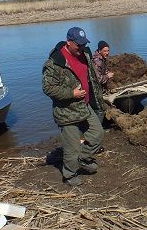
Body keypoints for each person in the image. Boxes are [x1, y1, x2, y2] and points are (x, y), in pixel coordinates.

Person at [42, 27, 105, 186]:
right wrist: (72, 93)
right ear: (69, 42)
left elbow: (92, 77)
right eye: (78, 45)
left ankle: (84, 159)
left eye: (84, 44)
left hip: (84, 106)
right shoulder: (55, 62)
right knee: (72, 148)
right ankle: (69, 175)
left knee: (97, 134)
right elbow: (48, 88)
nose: (82, 48)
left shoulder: (86, 54)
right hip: (66, 111)